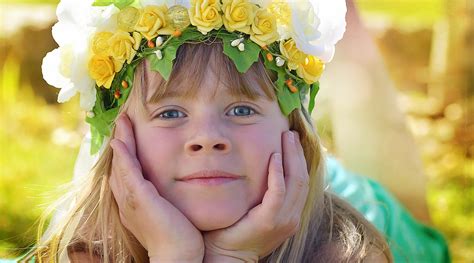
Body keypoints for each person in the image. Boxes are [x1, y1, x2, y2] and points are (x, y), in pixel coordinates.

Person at [17, 0, 394, 262]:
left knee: (402, 205)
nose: (208, 137)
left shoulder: (349, 254)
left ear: (294, 129)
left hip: (361, 205)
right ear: (121, 141)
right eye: (170, 112)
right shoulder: (84, 253)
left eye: (242, 109)